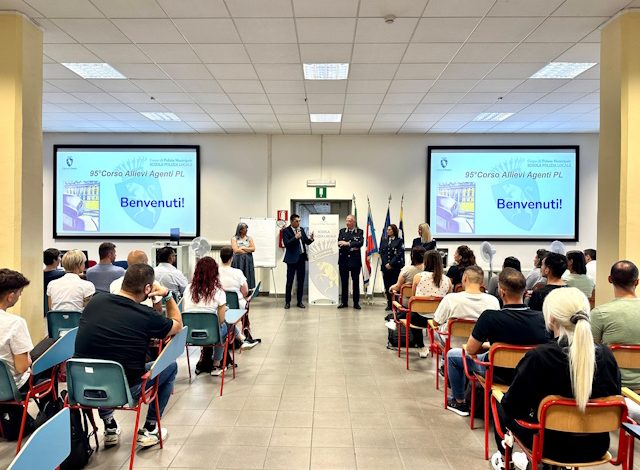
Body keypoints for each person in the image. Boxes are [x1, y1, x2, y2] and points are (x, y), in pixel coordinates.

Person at [491, 287, 621, 469]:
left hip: (548, 445)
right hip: (596, 446)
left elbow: (512, 407)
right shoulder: (607, 355)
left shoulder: (539, 357)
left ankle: (507, 458)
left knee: (499, 401)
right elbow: (612, 397)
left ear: (551, 319)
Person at [74, 264, 182, 447]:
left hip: (82, 386)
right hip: (123, 390)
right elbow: (177, 325)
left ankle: (109, 425)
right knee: (170, 366)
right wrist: (167, 295)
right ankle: (150, 428)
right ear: (148, 289)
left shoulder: (96, 301)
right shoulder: (147, 315)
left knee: (102, 366)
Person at [446, 268, 549, 417]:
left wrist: (491, 348)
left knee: (452, 355)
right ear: (525, 291)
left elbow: (470, 350)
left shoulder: (490, 317)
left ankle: (459, 401)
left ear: (502, 292)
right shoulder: (542, 318)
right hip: (529, 373)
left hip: (497, 372)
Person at [0, 270, 57, 422]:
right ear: (10, 296)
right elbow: (22, 368)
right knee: (51, 355)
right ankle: (50, 415)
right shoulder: (14, 323)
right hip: (10, 387)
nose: (20, 296)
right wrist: (30, 361)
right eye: (20, 293)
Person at [591, 261, 640, 408]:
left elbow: (591, 350)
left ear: (610, 279)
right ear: (637, 282)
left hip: (611, 386)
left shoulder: (599, 314)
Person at [392, 250, 451, 358]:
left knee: (410, 313)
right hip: (439, 321)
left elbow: (413, 299)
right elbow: (448, 301)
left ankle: (421, 346)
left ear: (426, 262)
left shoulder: (419, 277)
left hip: (419, 320)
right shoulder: (447, 281)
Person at [183, 256, 233, 375]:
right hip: (212, 335)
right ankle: (216, 364)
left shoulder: (188, 288)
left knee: (217, 327)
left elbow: (185, 310)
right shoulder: (218, 291)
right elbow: (220, 320)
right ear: (215, 272)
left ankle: (206, 360)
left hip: (189, 335)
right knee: (225, 327)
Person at [432, 266, 500, 335]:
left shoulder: (450, 298)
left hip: (451, 343)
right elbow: (496, 327)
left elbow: (436, 322)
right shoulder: (493, 301)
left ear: (465, 279)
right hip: (480, 344)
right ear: (482, 283)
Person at [219, 246, 260, 350]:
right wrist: (246, 297)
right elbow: (245, 291)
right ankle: (245, 335)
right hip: (237, 305)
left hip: (220, 307)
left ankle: (240, 338)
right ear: (232, 258)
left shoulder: (215, 272)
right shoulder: (238, 272)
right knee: (246, 302)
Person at [282, 214, 314, 309]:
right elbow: (286, 244)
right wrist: (295, 237)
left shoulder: (301, 230)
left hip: (301, 258)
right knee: (290, 281)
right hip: (291, 259)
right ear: (292, 221)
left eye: (299, 221)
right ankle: (287, 302)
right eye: (297, 221)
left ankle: (299, 301)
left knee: (301, 281)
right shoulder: (286, 231)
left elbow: (305, 241)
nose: (298, 223)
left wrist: (311, 239)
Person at [337, 214, 364, 310]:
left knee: (355, 282)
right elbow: (339, 243)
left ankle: (356, 303)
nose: (347, 222)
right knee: (344, 282)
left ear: (354, 222)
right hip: (343, 261)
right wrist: (352, 245)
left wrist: (347, 243)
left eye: (349, 221)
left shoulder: (359, 232)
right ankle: (344, 302)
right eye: (346, 220)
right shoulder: (342, 231)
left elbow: (360, 243)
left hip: (355, 261)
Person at [379, 224, 405, 311]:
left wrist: (391, 263)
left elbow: (399, 253)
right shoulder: (384, 240)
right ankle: (389, 304)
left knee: (395, 286)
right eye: (387, 230)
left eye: (389, 230)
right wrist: (386, 263)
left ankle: (396, 303)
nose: (387, 231)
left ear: (394, 231)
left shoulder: (399, 241)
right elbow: (382, 253)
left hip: (395, 268)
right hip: (385, 267)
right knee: (387, 286)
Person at [231, 222, 256, 289]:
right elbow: (236, 250)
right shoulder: (234, 238)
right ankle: (237, 288)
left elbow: (253, 249)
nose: (247, 230)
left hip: (248, 260)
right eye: (245, 228)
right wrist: (247, 250)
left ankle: (247, 289)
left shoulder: (249, 238)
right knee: (238, 274)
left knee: (248, 274)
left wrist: (242, 248)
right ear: (240, 230)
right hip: (238, 260)